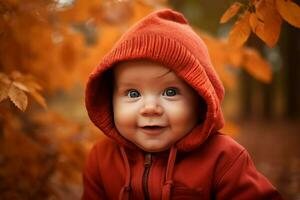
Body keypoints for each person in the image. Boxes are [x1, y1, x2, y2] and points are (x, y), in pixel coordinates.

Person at [82, 8, 283, 200]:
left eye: (170, 92)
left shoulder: (223, 159)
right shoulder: (101, 159)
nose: (150, 108)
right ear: (110, 101)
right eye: (133, 93)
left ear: (200, 100)